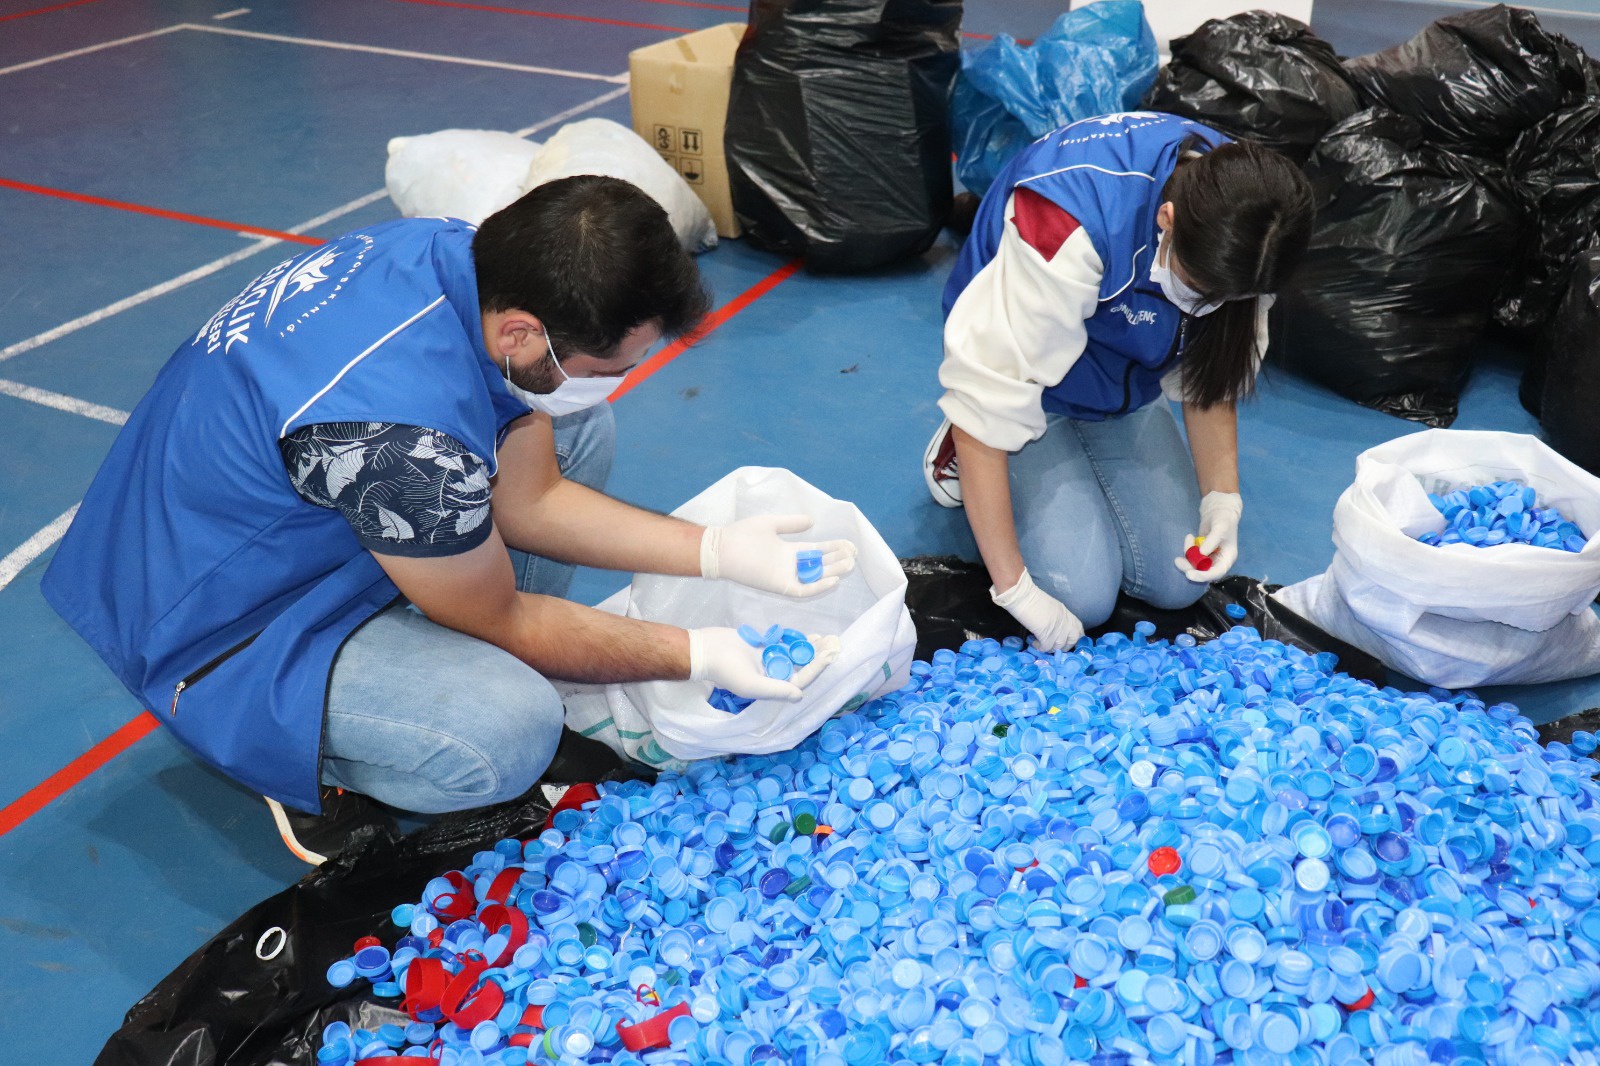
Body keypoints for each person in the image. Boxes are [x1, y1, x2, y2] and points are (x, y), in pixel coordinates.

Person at [43, 176, 855, 864]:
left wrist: (717, 552)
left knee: (574, 427)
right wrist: (697, 654)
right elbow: (502, 608)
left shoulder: (463, 254)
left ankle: (431, 623)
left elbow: (533, 499)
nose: (618, 381)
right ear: (520, 333)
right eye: (608, 366)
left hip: (284, 512)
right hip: (218, 617)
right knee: (505, 732)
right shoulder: (402, 444)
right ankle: (305, 758)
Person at [922, 112, 1314, 650]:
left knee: (1178, 582)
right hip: (1028, 382)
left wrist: (1223, 500)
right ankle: (952, 448)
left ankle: (1089, 431)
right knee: (1080, 597)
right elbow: (991, 402)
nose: (1208, 309)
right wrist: (1015, 592)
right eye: (1198, 287)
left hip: (1124, 377)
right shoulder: (1066, 221)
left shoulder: (1257, 226)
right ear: (1167, 220)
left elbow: (1210, 377)